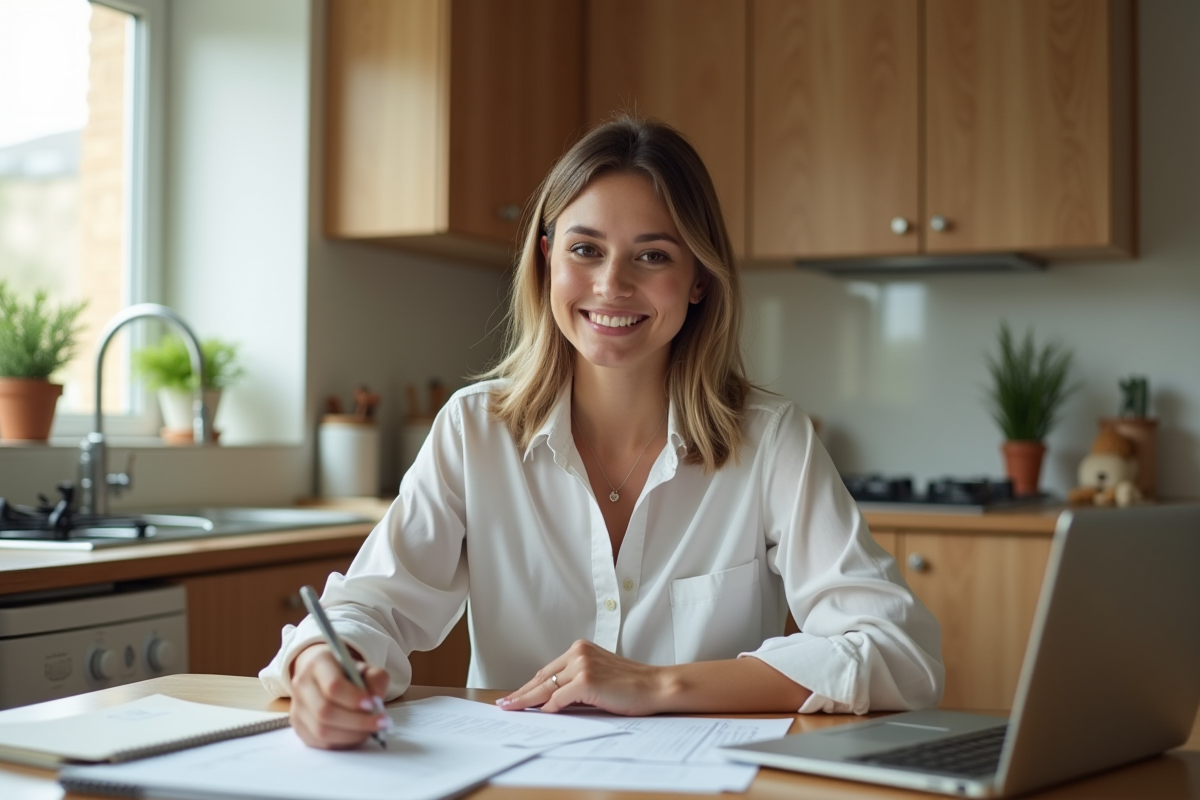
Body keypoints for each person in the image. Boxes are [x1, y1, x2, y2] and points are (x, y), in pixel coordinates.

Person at [260, 117, 943, 749]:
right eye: (586, 249)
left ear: (699, 279)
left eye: (652, 256)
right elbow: (371, 607)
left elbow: (900, 652)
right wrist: (326, 664)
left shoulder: (771, 440)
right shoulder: (474, 430)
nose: (611, 284)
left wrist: (658, 685)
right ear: (548, 259)